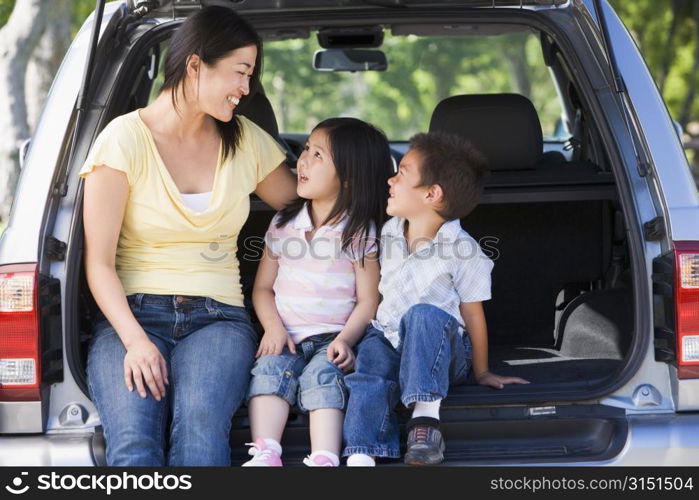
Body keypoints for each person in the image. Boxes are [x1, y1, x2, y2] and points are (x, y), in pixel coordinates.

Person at [80, 6, 297, 466]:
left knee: (201, 439)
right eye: (240, 73)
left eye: (251, 77)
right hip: (133, 314)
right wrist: (135, 341)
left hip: (218, 318)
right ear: (196, 64)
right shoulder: (123, 140)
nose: (246, 89)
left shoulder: (246, 139)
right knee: (133, 447)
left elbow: (306, 206)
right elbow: (97, 263)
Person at [342, 131, 529, 467]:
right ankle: (361, 450)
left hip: (444, 353)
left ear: (431, 194)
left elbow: (473, 315)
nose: (390, 179)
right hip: (390, 338)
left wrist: (482, 371)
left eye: (401, 173)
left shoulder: (463, 251)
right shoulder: (388, 232)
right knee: (370, 363)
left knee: (423, 315)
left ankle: (425, 421)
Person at [241, 117, 392, 467]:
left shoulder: (358, 231)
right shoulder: (283, 223)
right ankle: (266, 451)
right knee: (267, 373)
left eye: (317, 155)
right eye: (305, 149)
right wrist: (273, 328)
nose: (302, 161)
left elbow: (370, 299)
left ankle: (324, 457)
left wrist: (346, 340)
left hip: (332, 338)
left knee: (323, 377)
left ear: (349, 178)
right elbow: (262, 289)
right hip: (285, 333)